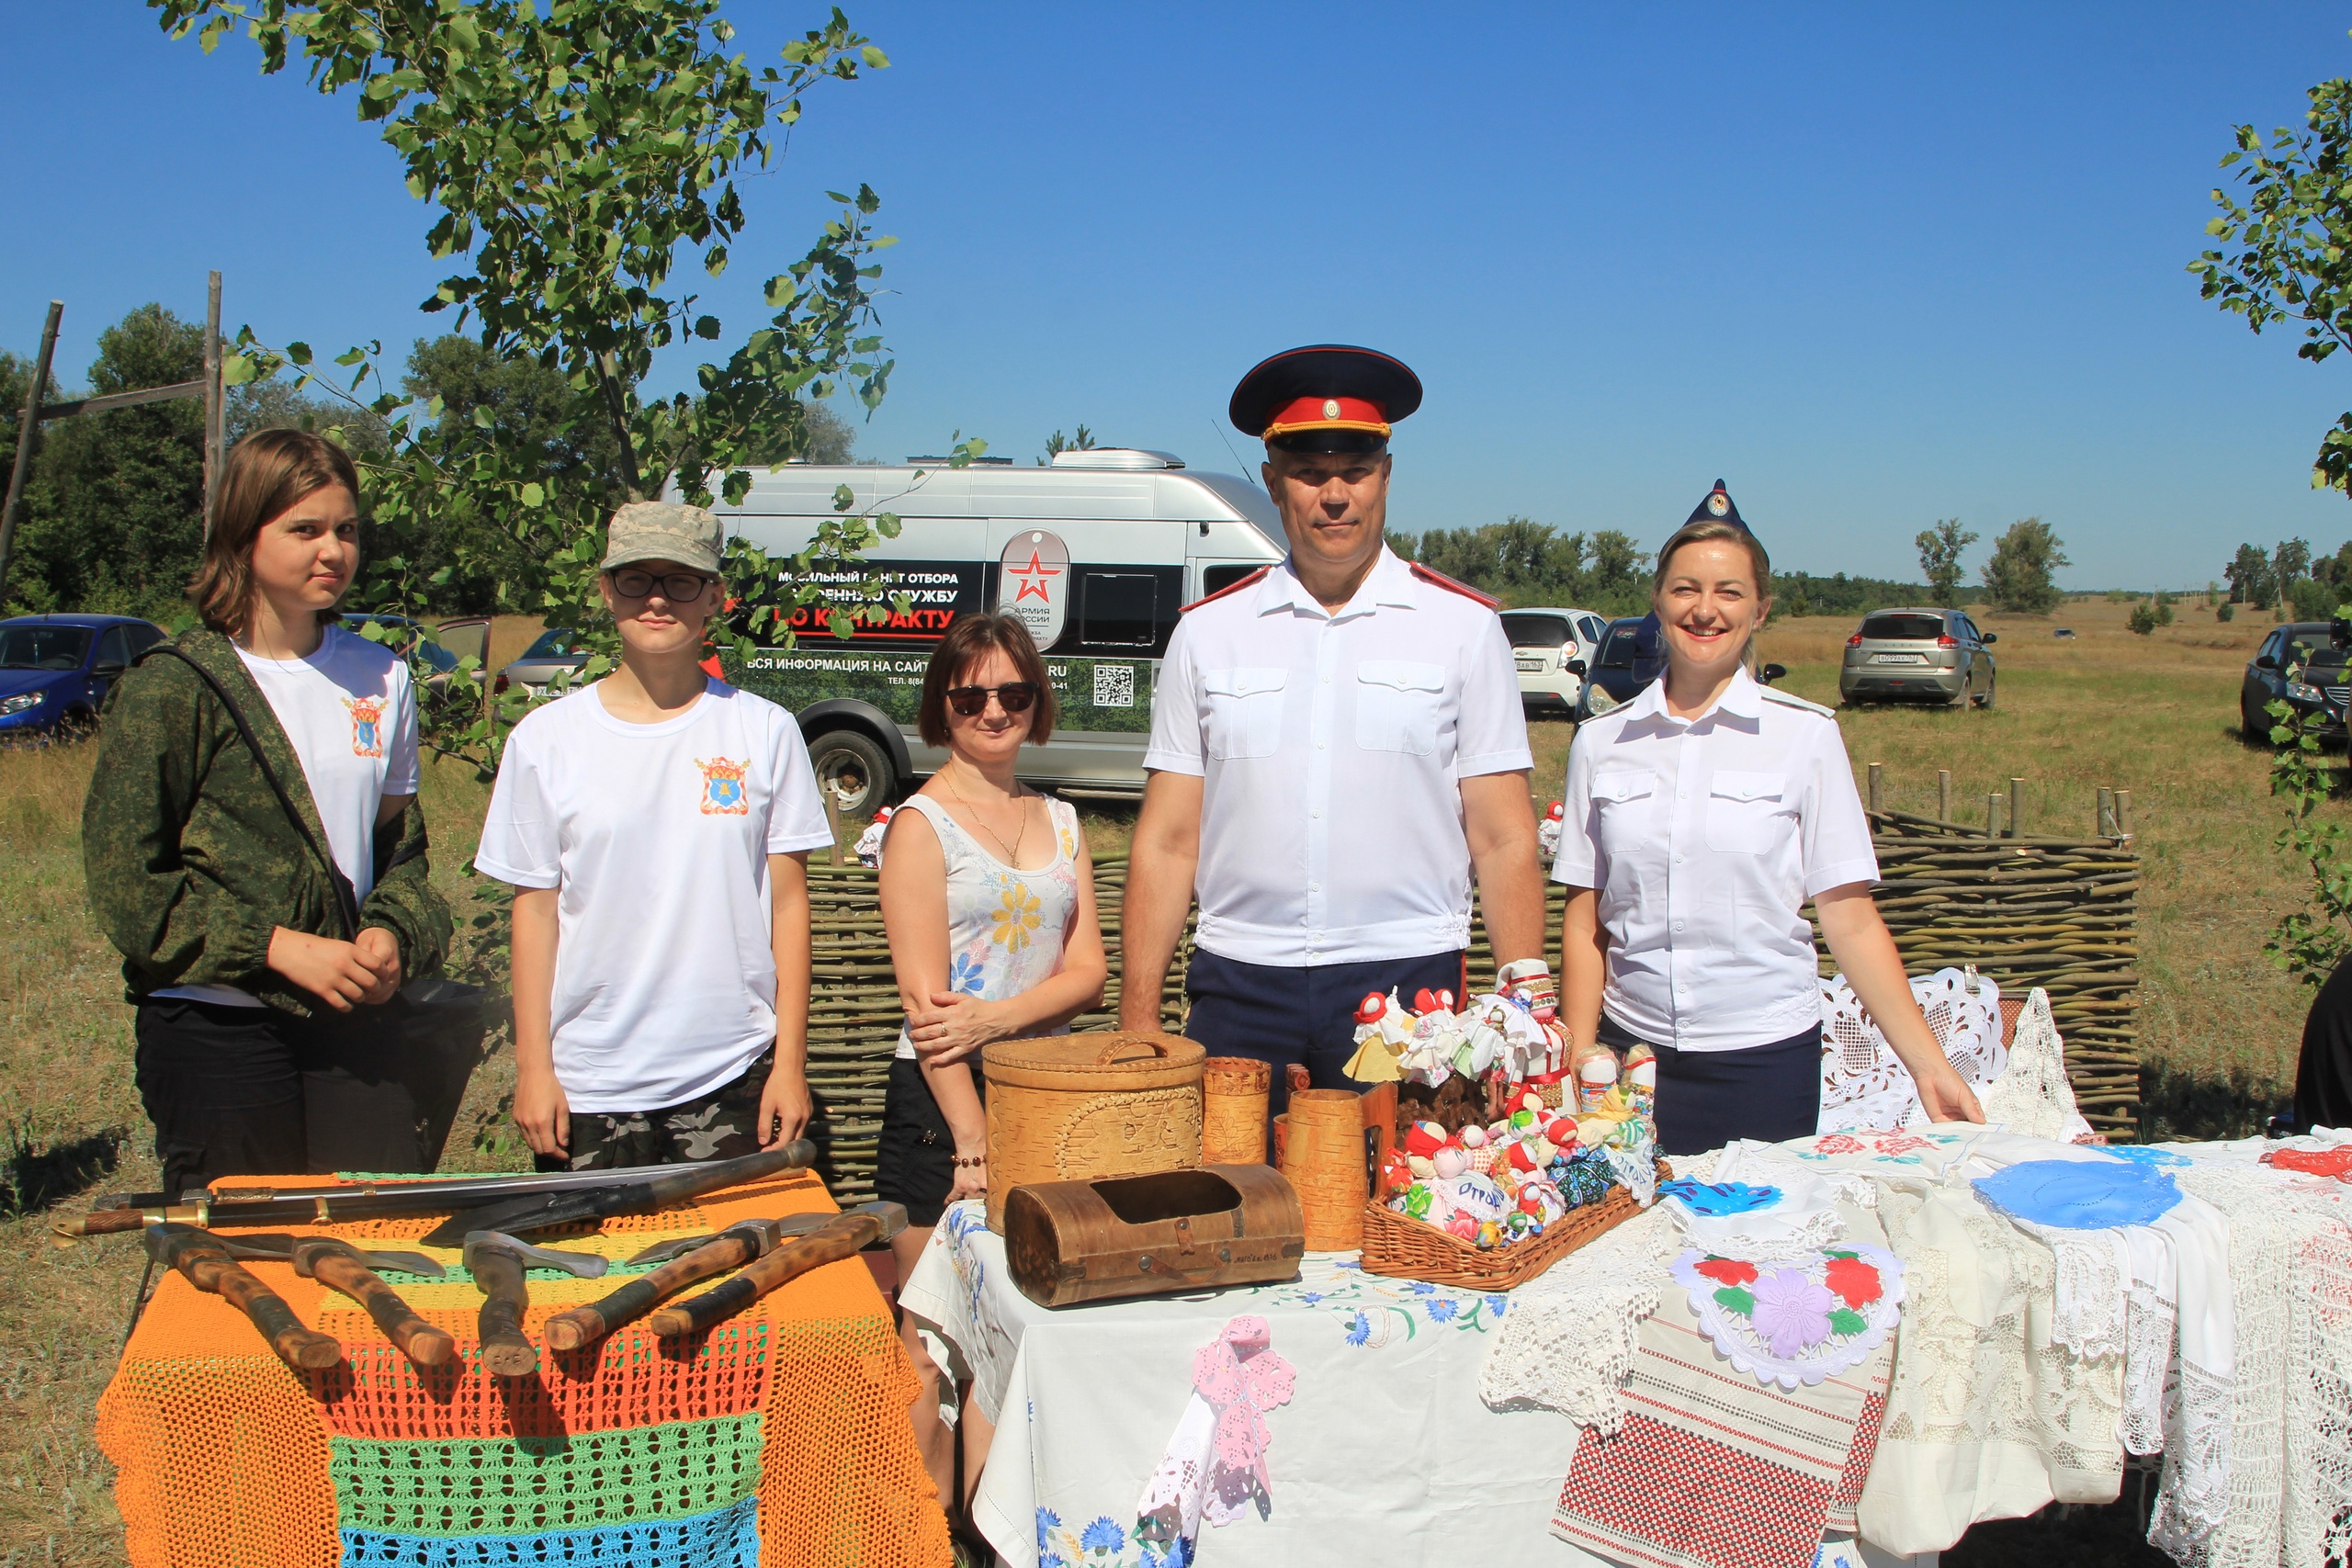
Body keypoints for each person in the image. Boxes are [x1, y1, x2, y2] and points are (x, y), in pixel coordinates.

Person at [1122, 344, 1549, 1109]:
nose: (1335, 495)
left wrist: (1524, 999)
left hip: (1407, 980)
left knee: (1405, 1209)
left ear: (1386, 476)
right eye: (1310, 474)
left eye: (1354, 470)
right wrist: (1138, 1014)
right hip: (1241, 983)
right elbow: (1167, 837)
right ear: (1273, 483)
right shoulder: (1208, 633)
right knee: (1239, 1211)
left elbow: (1503, 834)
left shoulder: (1462, 628)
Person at [84, 429, 451, 1198]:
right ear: (242, 536)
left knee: (379, 1233)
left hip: (351, 1019)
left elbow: (400, 854)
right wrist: (278, 947)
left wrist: (389, 932)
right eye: (305, 528)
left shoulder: (381, 674)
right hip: (217, 1024)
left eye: (346, 530)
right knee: (248, 1261)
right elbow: (128, 883)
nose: (333, 550)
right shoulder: (175, 685)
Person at [1554, 503, 1984, 1155]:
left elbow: (1851, 919)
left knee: (1753, 1247)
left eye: (1730, 592)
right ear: (1658, 601)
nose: (1705, 609)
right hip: (1628, 1062)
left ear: (1760, 611)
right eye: (1685, 589)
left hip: (1762, 1064)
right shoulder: (1601, 743)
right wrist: (1580, 1057)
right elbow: (1587, 912)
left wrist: (1928, 1064)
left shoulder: (1806, 737)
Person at [475, 501, 834, 1169]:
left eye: (682, 580)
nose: (658, 599)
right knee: (596, 1275)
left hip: (733, 1074)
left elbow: (789, 906)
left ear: (715, 597)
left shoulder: (765, 731)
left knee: (735, 1271)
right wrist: (534, 1068)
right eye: (637, 579)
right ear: (607, 589)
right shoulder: (545, 741)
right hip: (587, 1084)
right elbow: (536, 913)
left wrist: (789, 1064)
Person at [876, 611, 1107, 1516]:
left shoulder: (1061, 818)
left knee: (1018, 1334)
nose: (993, 710)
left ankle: (990, 1526)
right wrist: (968, 1138)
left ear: (1037, 702)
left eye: (1012, 692)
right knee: (933, 1337)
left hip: (1038, 1102)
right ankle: (912, 1525)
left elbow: (1087, 972)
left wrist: (1001, 1018)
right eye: (969, 694)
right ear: (941, 704)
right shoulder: (917, 828)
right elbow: (929, 1012)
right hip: (942, 1109)